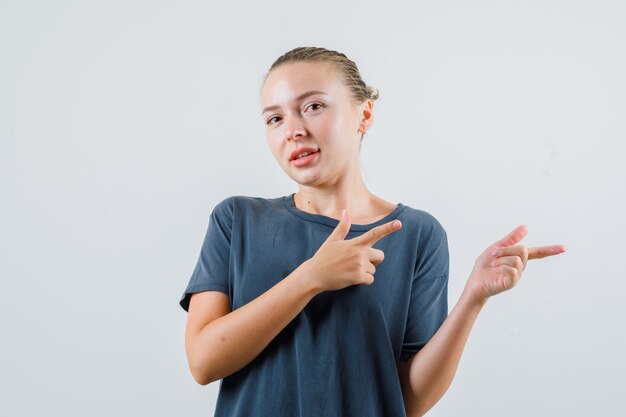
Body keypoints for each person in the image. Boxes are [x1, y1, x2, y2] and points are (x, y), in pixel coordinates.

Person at [178, 46, 566, 417]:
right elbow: (203, 362)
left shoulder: (417, 234)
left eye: (313, 107)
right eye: (275, 118)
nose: (293, 130)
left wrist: (473, 299)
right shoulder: (236, 220)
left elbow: (406, 400)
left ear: (364, 115)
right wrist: (311, 278)